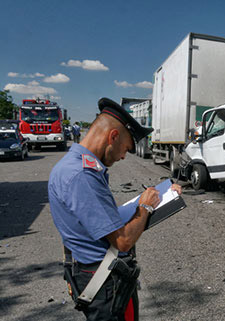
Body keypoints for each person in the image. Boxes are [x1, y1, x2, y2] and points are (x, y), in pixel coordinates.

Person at [48, 97, 182, 321]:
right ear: (113, 136)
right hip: (104, 285)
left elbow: (100, 218)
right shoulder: (82, 176)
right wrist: (146, 206)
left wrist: (158, 197)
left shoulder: (74, 165)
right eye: (126, 149)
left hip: (93, 275)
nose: (122, 156)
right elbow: (122, 241)